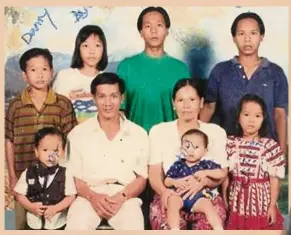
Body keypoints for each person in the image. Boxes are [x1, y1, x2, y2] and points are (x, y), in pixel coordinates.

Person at [64, 72, 149, 230]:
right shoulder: (78, 133)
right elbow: (76, 178)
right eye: (102, 96)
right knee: (76, 225)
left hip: (125, 195)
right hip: (88, 196)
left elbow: (141, 179)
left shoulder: (138, 133)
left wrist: (121, 196)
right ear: (94, 98)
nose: (108, 103)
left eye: (114, 96)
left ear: (122, 98)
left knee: (134, 226)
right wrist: (92, 197)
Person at [5, 48, 77, 229]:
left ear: (52, 72)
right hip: (25, 178)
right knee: (24, 224)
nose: (40, 75)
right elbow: (9, 141)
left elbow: (71, 141)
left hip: (56, 180)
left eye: (44, 69)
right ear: (24, 75)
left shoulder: (62, 104)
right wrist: (13, 177)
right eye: (33, 70)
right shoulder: (15, 106)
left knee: (56, 224)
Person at [200, 12, 288, 154]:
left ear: (261, 37)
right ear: (234, 38)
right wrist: (196, 140)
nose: (247, 39)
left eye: (253, 33)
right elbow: (209, 108)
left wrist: (282, 152)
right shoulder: (220, 71)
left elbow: (280, 114)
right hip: (227, 151)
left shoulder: (275, 73)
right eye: (241, 34)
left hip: (264, 154)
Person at [148, 78, 228, 230]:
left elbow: (222, 173)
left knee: (210, 223)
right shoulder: (159, 131)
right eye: (180, 100)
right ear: (173, 103)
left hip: (205, 195)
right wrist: (165, 192)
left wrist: (203, 182)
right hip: (171, 194)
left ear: (201, 102)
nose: (186, 106)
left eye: (192, 99)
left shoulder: (215, 132)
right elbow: (154, 173)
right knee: (164, 221)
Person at [117, 6, 190, 132]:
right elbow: (118, 111)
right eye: (148, 26)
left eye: (159, 25)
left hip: (171, 141)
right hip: (135, 141)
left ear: (167, 31)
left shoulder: (180, 69)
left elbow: (187, 111)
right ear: (141, 32)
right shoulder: (126, 67)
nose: (154, 31)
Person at [223, 94, 285, 230]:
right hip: (237, 203)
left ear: (264, 119)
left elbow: (274, 180)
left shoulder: (269, 146)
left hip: (260, 204)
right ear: (238, 117)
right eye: (246, 114)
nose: (251, 120)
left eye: (257, 116)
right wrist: (225, 199)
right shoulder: (231, 144)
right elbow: (225, 177)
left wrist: (272, 205)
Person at [13, 127, 76, 230]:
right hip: (32, 225)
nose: (50, 155)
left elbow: (71, 196)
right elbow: (20, 194)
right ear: (36, 151)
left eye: (55, 150)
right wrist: (30, 207)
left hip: (57, 225)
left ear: (63, 152)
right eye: (45, 150)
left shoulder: (66, 173)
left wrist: (56, 208)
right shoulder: (28, 173)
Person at [164, 129, 226, 230]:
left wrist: (206, 172)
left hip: (198, 198)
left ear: (205, 151)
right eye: (187, 147)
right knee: (172, 202)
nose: (191, 151)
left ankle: (218, 228)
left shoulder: (206, 165)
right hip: (179, 196)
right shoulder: (178, 165)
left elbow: (221, 173)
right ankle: (174, 229)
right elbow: (167, 181)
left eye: (196, 147)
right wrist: (175, 182)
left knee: (208, 206)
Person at [53, 25, 108, 123]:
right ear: (78, 49)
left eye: (97, 45)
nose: (92, 51)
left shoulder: (107, 80)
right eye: (85, 46)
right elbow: (55, 113)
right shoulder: (64, 76)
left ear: (104, 49)